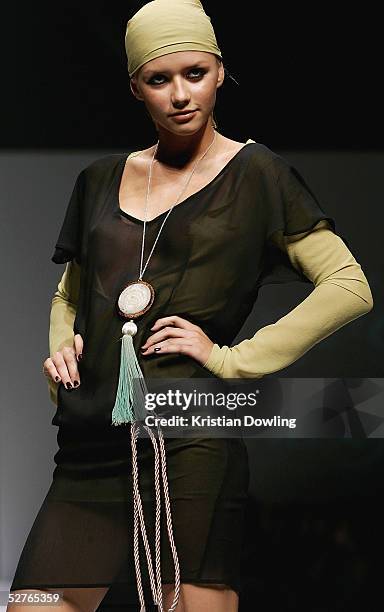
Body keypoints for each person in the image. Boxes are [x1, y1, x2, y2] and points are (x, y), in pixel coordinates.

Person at [8, 1, 374, 611]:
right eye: (159, 79)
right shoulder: (98, 180)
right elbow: (71, 294)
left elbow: (349, 285)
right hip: (91, 440)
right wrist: (61, 353)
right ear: (135, 88)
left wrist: (233, 360)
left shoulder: (258, 174)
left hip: (190, 432)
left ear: (221, 72)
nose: (180, 94)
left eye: (195, 74)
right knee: (34, 606)